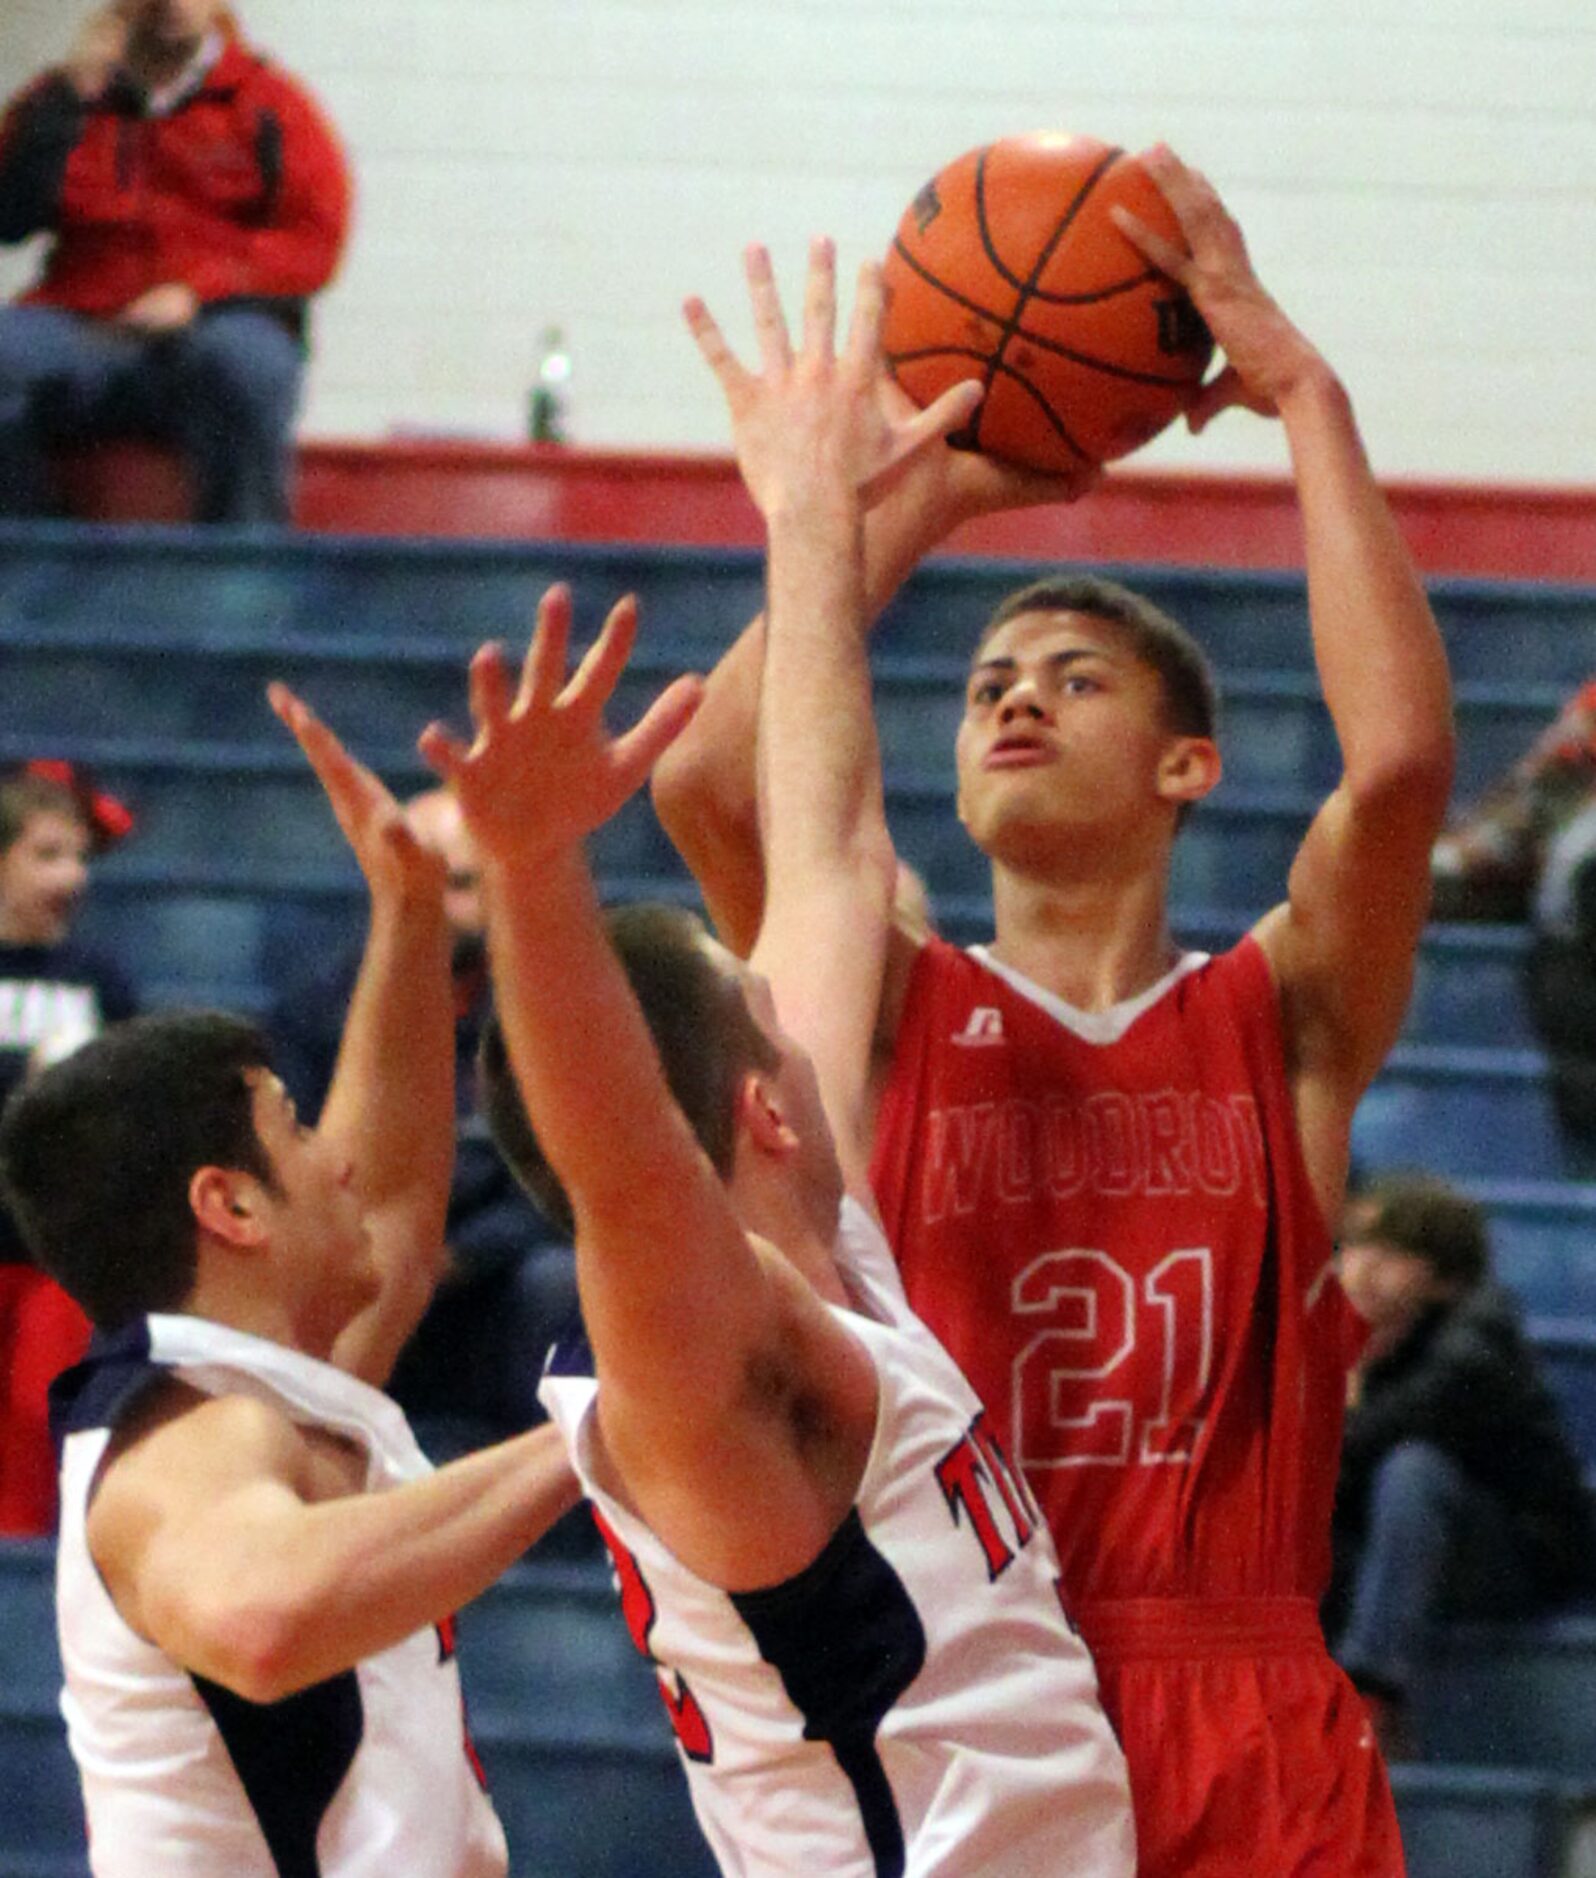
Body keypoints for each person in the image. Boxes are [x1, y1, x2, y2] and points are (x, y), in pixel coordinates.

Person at [652, 147, 1457, 1876]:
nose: (1015, 696)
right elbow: (716, 788)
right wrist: (923, 501)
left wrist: (1304, 390)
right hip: (974, 1693)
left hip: (1237, 1693)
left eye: (1072, 677)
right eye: (990, 682)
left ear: (1189, 764)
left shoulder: (1282, 1012)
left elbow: (1394, 769)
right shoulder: (884, 1008)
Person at [423, 241, 1136, 1876]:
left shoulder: (818, 1242)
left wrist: (828, 510)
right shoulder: (705, 1357)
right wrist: (534, 877)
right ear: (757, 1097)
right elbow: (623, 1165)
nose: (795, 995)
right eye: (764, 1010)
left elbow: (824, 850)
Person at [0, 690, 577, 1877]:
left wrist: (411, 911)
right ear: (231, 1206)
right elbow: (261, 1624)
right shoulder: (188, 1439)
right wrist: (597, 1433)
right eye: (296, 1127)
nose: (337, 1154)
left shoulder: (257, 1383)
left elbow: (403, 1218)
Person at [269, 786, 580, 1472]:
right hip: (357, 1264)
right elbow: (288, 1158)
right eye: (425, 884)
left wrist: (455, 1257)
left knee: (563, 1280)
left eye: (464, 884)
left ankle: (565, 1517)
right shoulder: (316, 1011)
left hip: (489, 1280)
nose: (445, 906)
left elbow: (566, 1179)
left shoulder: (548, 1009)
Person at [0, 0, 352, 524]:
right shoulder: (64, 95)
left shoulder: (269, 102)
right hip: (84, 327)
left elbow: (313, 238)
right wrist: (69, 98)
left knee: (250, 364)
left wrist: (197, 291)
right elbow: (10, 217)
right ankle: (30, 575)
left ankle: (242, 580)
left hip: (213, 327)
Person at [1328, 1173, 1596, 1756]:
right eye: (1356, 1246)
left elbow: (1359, 1449)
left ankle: (1372, 1692)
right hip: (1398, 1559)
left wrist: (1343, 1383)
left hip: (1516, 1558)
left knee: (1412, 1470)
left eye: (1393, 1253)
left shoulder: (1476, 1344)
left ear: (1446, 1280)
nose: (1363, 1268)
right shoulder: (1345, 1338)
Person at [0, 760, 136, 1534]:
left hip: (56, 1251)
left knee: (39, 1426)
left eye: (79, 857)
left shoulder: (97, 982)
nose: (72, 876)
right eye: (48, 855)